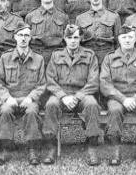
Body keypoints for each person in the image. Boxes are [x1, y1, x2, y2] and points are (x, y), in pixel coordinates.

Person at [42, 24, 101, 166]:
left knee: (92, 104)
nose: (73, 41)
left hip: (82, 94)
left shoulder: (89, 55)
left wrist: (78, 96)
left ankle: (92, 146)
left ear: (80, 38)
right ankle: (51, 147)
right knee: (51, 104)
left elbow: (93, 81)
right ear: (64, 39)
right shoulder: (56, 55)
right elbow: (50, 80)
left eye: (76, 37)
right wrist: (63, 96)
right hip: (61, 94)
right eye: (69, 37)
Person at [100, 25, 136, 166]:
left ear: (135, 39)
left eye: (130, 37)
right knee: (114, 110)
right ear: (118, 39)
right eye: (124, 37)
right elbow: (105, 83)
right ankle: (115, 150)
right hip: (117, 97)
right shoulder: (110, 58)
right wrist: (123, 99)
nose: (127, 40)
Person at [0, 22, 46, 166]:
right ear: (15, 37)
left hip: (30, 99)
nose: (23, 38)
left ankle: (32, 149)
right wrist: (6, 98)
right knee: (4, 111)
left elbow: (42, 84)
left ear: (30, 38)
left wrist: (31, 98)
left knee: (31, 112)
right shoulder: (5, 58)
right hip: (10, 98)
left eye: (26, 35)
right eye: (20, 35)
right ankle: (6, 149)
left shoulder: (38, 59)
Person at [75, 0, 121, 65]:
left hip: (107, 57)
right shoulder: (80, 18)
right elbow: (77, 43)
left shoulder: (114, 16)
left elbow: (118, 43)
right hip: (87, 58)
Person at [25, 0, 69, 65]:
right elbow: (26, 39)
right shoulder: (30, 16)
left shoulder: (63, 17)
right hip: (36, 57)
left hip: (57, 57)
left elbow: (67, 40)